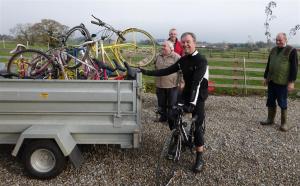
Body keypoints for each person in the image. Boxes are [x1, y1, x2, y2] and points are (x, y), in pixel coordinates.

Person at [140, 32, 209, 173]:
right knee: (172, 114)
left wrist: (192, 104)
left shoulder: (201, 61)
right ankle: (177, 138)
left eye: (188, 41)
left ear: (194, 42)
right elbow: (166, 70)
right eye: (183, 42)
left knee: (197, 127)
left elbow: (196, 83)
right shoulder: (183, 60)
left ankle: (199, 157)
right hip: (185, 94)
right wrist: (145, 72)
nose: (185, 44)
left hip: (198, 97)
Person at [260, 32, 298, 131]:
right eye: (276, 40)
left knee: (282, 102)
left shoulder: (291, 50)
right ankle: (270, 119)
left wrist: (291, 82)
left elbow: (294, 68)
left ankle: (284, 123)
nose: (277, 42)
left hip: (282, 82)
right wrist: (265, 77)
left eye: (280, 40)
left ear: (285, 40)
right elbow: (269, 64)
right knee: (270, 101)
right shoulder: (273, 50)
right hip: (271, 81)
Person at [154, 40, 181, 124]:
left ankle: (172, 120)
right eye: (162, 46)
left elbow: (182, 70)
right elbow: (147, 61)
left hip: (172, 85)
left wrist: (182, 82)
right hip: (160, 85)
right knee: (161, 104)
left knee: (172, 105)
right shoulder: (158, 56)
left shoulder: (177, 57)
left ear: (171, 48)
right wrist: (138, 65)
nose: (163, 47)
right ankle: (163, 118)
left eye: (164, 46)